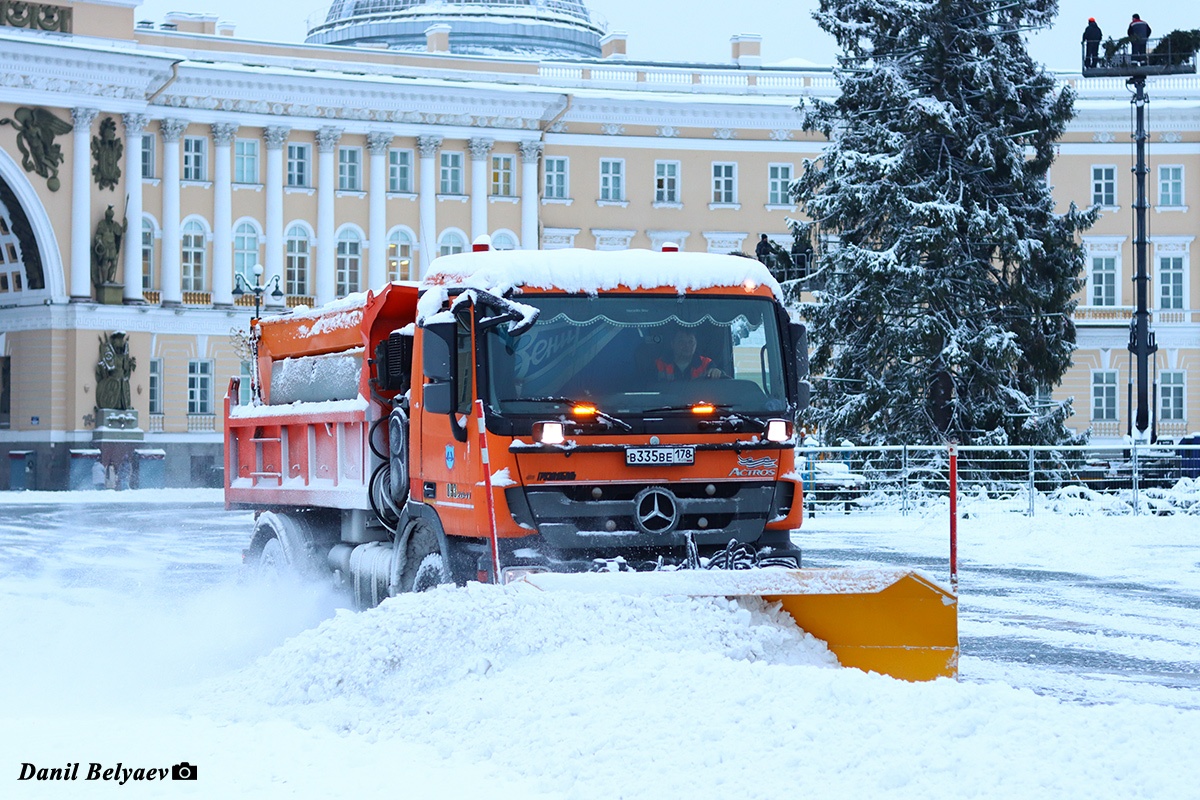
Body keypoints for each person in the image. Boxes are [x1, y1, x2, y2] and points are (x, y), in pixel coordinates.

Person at [655, 327, 725, 381]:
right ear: (672, 344)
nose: (687, 346)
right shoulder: (659, 364)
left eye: (691, 342)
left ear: (696, 344)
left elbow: (724, 380)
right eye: (681, 341)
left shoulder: (706, 364)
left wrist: (717, 372)